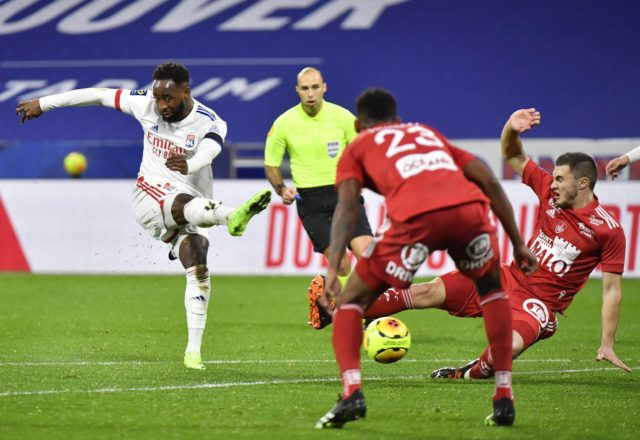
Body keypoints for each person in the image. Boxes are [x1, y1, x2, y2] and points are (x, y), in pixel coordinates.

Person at [312, 108, 632, 377]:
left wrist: (607, 342)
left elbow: (611, 289)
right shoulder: (548, 191)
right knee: (425, 291)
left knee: (507, 348)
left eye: (561, 179)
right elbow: (512, 153)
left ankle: (468, 373)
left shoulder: (608, 230)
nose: (555, 183)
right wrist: (511, 126)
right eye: (555, 177)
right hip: (506, 278)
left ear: (584, 183)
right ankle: (335, 308)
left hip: (539, 306)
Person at [15, 62, 271, 371]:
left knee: (198, 263)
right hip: (149, 196)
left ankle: (193, 353)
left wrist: (189, 165)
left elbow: (210, 152)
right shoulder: (144, 102)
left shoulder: (210, 121)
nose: (161, 104)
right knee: (180, 202)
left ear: (186, 92)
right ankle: (232, 216)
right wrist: (43, 103)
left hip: (194, 204)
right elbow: (98, 95)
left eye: (169, 98)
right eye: (158, 97)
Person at [315, 89, 538, 429]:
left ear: (359, 124)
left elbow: (347, 206)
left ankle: (351, 394)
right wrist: (518, 243)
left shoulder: (357, 146)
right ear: (398, 120)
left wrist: (333, 268)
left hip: (416, 221)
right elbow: (488, 180)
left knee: (350, 302)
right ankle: (504, 397)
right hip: (469, 214)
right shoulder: (426, 133)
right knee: (492, 291)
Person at [263, 67, 373, 316]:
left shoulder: (343, 117)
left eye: (315, 87)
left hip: (344, 195)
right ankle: (351, 311)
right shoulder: (283, 124)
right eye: (305, 88)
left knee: (367, 254)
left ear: (324, 87)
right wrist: (281, 189)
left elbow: (363, 152)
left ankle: (367, 310)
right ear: (297, 91)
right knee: (342, 264)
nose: (310, 93)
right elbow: (271, 163)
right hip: (311, 202)